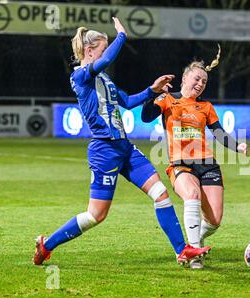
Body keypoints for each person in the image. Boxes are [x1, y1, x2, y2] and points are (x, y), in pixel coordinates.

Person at [33, 17, 210, 266]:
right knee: (96, 215)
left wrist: (153, 89)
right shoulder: (80, 76)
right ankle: (47, 244)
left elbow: (126, 101)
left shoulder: (103, 79)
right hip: (104, 149)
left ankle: (182, 250)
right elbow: (105, 60)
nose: (105, 55)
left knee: (161, 193)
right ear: (89, 50)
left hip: (124, 147)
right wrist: (122, 36)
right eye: (103, 49)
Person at [141, 45, 248, 269]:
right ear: (186, 77)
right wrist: (154, 92)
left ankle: (191, 244)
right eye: (197, 79)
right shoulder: (168, 99)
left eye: (204, 82)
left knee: (215, 220)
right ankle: (193, 255)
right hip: (181, 164)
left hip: (208, 165)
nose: (200, 84)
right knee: (192, 194)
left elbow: (218, 133)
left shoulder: (205, 106)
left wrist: (237, 147)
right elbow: (146, 116)